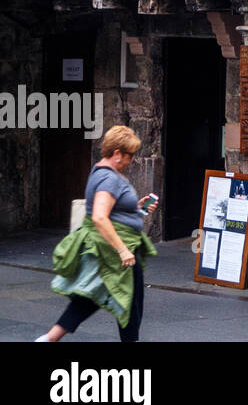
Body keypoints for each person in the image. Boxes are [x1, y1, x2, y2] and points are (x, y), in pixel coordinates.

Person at [37, 125, 158, 342]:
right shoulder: (109, 178)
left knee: (90, 298)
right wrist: (122, 250)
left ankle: (48, 339)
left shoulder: (101, 171)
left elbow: (112, 211)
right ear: (117, 153)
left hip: (109, 246)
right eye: (129, 155)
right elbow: (100, 217)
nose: (131, 160)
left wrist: (137, 208)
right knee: (129, 301)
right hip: (115, 249)